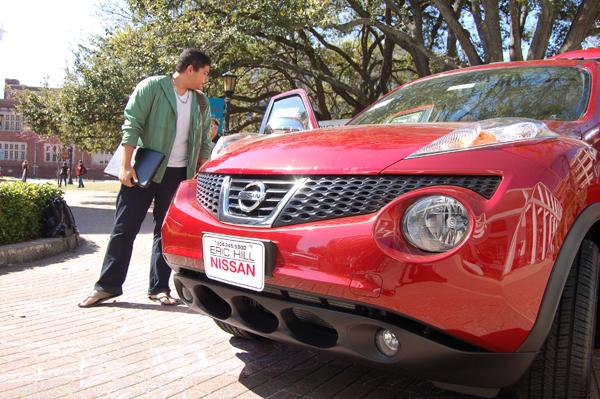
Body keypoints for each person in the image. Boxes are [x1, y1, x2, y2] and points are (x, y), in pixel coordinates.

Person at [78, 48, 213, 308]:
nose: (205, 80)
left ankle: (159, 288)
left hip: (178, 174)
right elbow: (133, 124)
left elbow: (204, 139)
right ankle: (106, 286)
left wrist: (199, 172)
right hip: (144, 169)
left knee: (166, 231)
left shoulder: (201, 101)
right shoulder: (152, 87)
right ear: (190, 69)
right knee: (124, 227)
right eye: (204, 73)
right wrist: (126, 166)